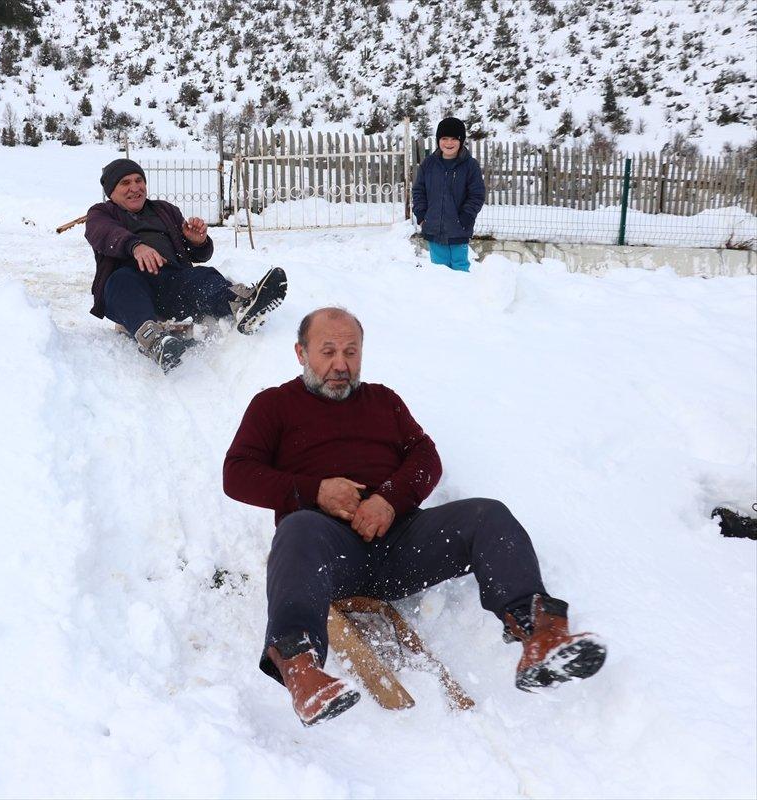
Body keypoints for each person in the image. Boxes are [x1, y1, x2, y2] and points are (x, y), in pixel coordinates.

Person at [222, 307, 606, 726]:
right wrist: (315, 491)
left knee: (487, 516)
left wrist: (388, 499)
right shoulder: (273, 406)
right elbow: (237, 474)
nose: (340, 364)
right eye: (328, 351)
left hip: (402, 544)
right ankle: (301, 669)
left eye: (351, 352)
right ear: (301, 352)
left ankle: (540, 634)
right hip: (329, 553)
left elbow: (426, 457)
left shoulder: (384, 401)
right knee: (298, 527)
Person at [85, 159, 287, 372]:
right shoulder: (101, 213)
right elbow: (103, 232)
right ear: (111, 192)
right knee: (121, 281)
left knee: (202, 275)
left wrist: (196, 241)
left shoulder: (164, 210)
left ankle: (240, 305)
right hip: (130, 289)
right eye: (125, 183)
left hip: (172, 284)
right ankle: (154, 340)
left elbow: (197, 255)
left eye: (138, 180)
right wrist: (136, 246)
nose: (135, 188)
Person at [411, 117, 485, 273]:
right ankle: (441, 298)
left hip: (459, 228)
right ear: (438, 140)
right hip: (433, 227)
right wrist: (422, 216)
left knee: (460, 267)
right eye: (444, 138)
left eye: (454, 139)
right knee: (439, 271)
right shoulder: (428, 164)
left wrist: (466, 217)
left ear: (461, 141)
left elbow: (476, 195)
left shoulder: (470, 166)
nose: (449, 143)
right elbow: (419, 191)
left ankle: (462, 297)